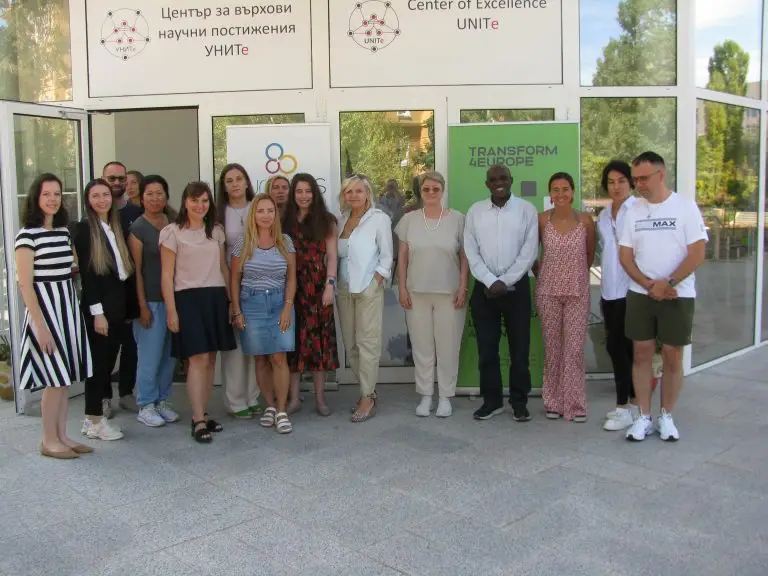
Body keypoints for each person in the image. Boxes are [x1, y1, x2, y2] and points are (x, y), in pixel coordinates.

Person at [620, 152, 707, 442]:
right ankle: (643, 416)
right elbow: (625, 256)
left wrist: (668, 283)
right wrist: (648, 284)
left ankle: (666, 415)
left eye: (643, 178)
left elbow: (697, 253)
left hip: (677, 294)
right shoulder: (632, 211)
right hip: (640, 294)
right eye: (635, 180)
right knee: (641, 354)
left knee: (672, 355)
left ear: (661, 174)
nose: (638, 184)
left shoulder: (685, 207)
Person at [15, 173, 93, 458]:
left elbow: (68, 273)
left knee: (64, 378)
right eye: (46, 194)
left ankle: (62, 435)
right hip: (45, 313)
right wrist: (40, 325)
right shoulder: (26, 236)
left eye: (57, 194)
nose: (52, 199)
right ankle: (49, 440)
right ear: (37, 198)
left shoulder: (62, 232)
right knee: (53, 379)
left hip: (67, 309)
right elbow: (25, 284)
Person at [160, 182, 236, 444]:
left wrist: (231, 302)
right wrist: (171, 309)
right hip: (188, 299)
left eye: (204, 201)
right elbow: (167, 274)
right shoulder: (172, 232)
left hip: (215, 297)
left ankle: (201, 414)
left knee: (211, 359)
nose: (200, 205)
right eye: (195, 201)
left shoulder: (215, 231)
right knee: (198, 359)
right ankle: (197, 419)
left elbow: (224, 269)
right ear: (185, 202)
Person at [464, 164, 538, 421]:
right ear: (487, 184)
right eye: (493, 179)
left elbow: (529, 252)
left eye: (503, 178)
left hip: (516, 291)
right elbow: (471, 251)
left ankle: (519, 402)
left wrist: (503, 282)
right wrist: (488, 281)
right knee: (487, 349)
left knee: (519, 351)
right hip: (484, 292)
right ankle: (492, 401)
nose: (498, 182)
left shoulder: (527, 210)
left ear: (511, 180)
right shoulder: (475, 212)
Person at [396, 171, 468, 418]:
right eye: (426, 189)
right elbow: (403, 258)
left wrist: (463, 286)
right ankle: (426, 395)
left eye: (435, 189)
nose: (430, 193)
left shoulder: (457, 219)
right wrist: (402, 287)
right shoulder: (409, 220)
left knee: (448, 347)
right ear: (420, 192)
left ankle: (446, 396)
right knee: (422, 347)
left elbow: (464, 256)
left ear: (442, 190)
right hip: (416, 293)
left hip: (449, 293)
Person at [74, 178, 136, 442]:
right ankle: (95, 421)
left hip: (117, 309)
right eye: (95, 195)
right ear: (88, 200)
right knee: (99, 368)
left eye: (105, 195)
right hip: (100, 312)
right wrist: (97, 313)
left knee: (106, 364)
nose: (101, 200)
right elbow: (89, 277)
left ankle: (90, 419)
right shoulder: (85, 229)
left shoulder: (113, 226)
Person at [231, 194, 297, 434]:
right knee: (260, 358)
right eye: (261, 211)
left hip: (280, 302)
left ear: (275, 214)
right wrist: (237, 310)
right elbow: (234, 279)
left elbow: (292, 277)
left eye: (270, 211)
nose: (266, 215)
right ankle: (269, 406)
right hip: (252, 304)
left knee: (279, 357)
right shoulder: (243, 243)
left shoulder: (285, 241)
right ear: (253, 215)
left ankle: (281, 410)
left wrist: (287, 307)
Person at [534, 172, 596, 422]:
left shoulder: (586, 221)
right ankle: (553, 402)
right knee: (553, 349)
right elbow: (533, 253)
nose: (560, 194)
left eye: (565, 189)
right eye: (555, 189)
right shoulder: (541, 220)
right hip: (548, 292)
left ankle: (575, 404)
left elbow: (589, 254)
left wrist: (574, 274)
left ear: (573, 192)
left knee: (573, 350)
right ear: (550, 194)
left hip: (577, 293)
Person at [337, 175, 392, 423]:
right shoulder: (341, 221)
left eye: (359, 191)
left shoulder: (379, 219)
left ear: (367, 194)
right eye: (349, 192)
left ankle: (367, 397)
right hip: (344, 290)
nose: (354, 196)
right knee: (351, 345)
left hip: (367, 289)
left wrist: (375, 284)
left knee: (367, 343)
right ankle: (366, 389)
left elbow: (387, 257)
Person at [284, 173, 339, 416]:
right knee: (293, 345)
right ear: (293, 194)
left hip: (318, 288)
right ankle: (294, 399)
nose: (303, 196)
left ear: (314, 193)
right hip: (292, 287)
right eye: (299, 191)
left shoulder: (326, 220)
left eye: (308, 191)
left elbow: (333, 257)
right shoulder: (284, 220)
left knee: (320, 345)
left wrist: (330, 285)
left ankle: (320, 399)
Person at [128, 175, 179, 427]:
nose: (155, 198)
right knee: (150, 356)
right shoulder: (138, 228)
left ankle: (162, 400)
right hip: (151, 302)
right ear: (142, 197)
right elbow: (135, 271)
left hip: (174, 300)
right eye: (150, 194)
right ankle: (146, 404)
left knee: (170, 355)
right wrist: (141, 305)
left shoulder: (174, 223)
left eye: (160, 193)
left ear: (166, 196)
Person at [215, 163, 261, 419]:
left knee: (254, 343)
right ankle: (235, 401)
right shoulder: (218, 213)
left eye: (238, 179)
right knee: (234, 347)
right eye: (229, 180)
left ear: (246, 182)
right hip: (230, 283)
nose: (234, 184)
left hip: (258, 284)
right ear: (224, 186)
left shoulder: (258, 207)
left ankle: (253, 396)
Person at [596, 161, 639, 431]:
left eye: (621, 180)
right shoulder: (602, 215)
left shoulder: (638, 210)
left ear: (631, 182)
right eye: (611, 182)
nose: (616, 186)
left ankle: (624, 406)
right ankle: (633, 404)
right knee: (618, 347)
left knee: (622, 348)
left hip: (632, 290)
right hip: (608, 291)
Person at [102, 161, 142, 416]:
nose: (117, 182)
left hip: (130, 290)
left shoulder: (135, 213)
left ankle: (126, 393)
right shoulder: (94, 214)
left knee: (131, 346)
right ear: (103, 179)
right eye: (111, 178)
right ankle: (104, 397)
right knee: (106, 348)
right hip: (105, 293)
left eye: (121, 178)